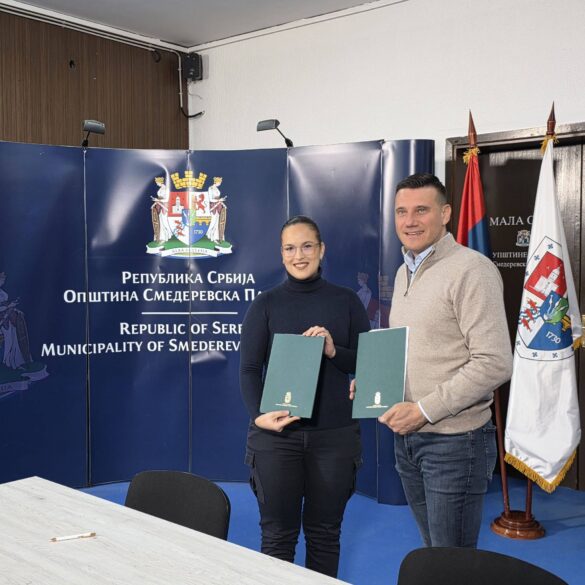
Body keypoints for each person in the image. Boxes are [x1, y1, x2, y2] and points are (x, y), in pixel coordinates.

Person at [353, 173, 513, 548]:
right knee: (433, 551)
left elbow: (494, 362)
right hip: (408, 439)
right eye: (401, 212)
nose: (410, 221)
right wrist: (375, 379)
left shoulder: (472, 270)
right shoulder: (403, 271)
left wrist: (424, 410)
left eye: (421, 210)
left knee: (450, 559)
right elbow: (417, 347)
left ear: (445, 214)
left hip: (456, 443)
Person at [240, 215, 370, 578]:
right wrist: (259, 416)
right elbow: (249, 370)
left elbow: (367, 362)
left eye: (307, 246)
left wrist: (333, 350)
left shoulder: (347, 302)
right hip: (277, 438)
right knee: (277, 538)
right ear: (281, 254)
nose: (299, 255)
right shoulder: (265, 305)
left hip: (335, 439)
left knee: (325, 535)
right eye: (290, 248)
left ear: (321, 249)